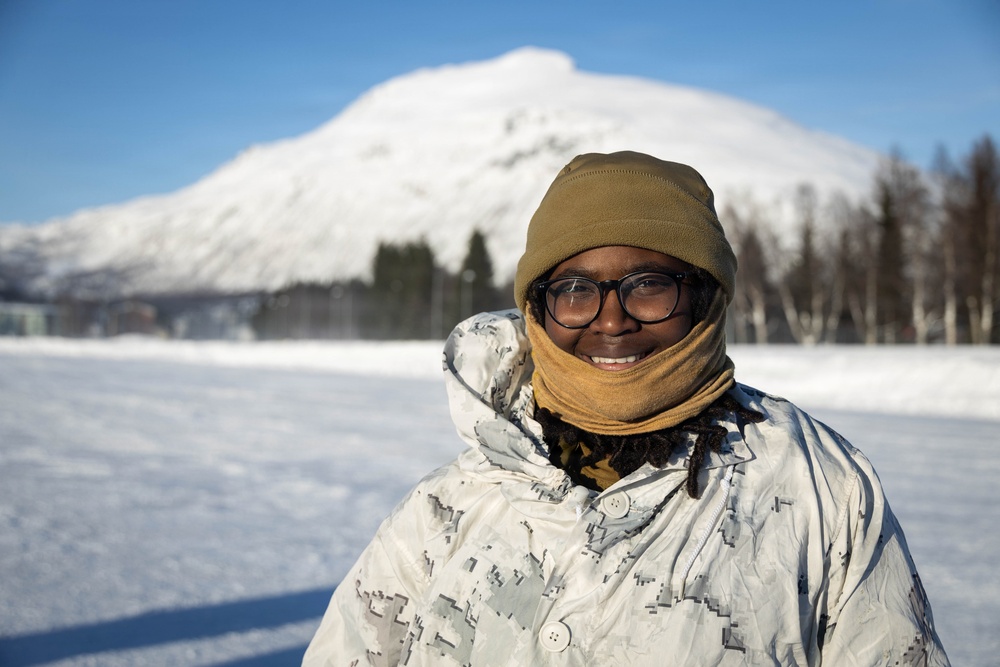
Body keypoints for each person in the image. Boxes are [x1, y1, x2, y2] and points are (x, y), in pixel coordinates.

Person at [303, 151, 949, 665]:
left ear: (704, 298)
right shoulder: (448, 507)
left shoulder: (819, 487)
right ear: (538, 309)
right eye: (575, 290)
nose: (611, 321)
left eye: (648, 285)